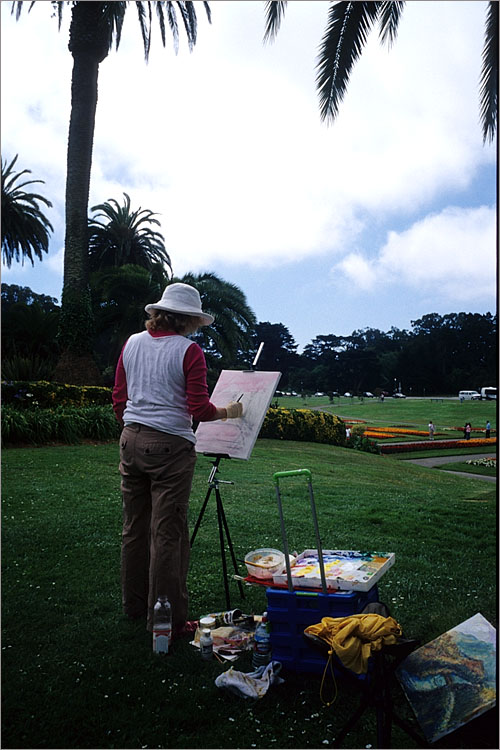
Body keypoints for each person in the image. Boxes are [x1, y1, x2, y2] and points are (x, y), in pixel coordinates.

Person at [112, 282, 243, 640]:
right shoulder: (189, 352)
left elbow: (119, 398)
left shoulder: (132, 343)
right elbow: (198, 408)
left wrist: (133, 429)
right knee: (167, 534)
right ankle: (166, 623)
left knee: (134, 528)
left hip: (130, 439)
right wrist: (229, 411)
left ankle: (134, 606)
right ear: (187, 320)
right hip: (170, 447)